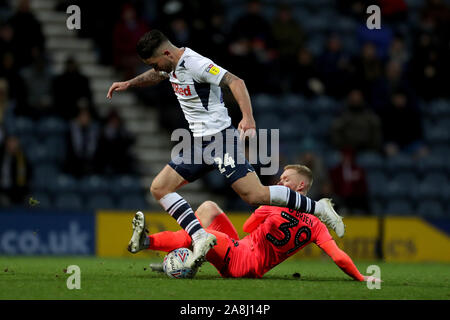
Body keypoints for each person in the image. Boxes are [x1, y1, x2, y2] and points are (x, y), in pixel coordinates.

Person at [107, 29, 344, 270]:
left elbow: (235, 81)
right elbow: (158, 75)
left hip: (221, 139)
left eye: (155, 63)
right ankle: (200, 237)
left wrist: (248, 117)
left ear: (166, 53)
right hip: (200, 143)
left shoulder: (196, 64)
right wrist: (130, 83)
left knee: (255, 195)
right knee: (159, 188)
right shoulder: (171, 66)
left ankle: (319, 208)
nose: (155, 68)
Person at [129, 165, 377, 282]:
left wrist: (263, 210)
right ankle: (186, 259)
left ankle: (148, 242)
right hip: (248, 260)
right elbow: (338, 257)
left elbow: (248, 226)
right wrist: (361, 278)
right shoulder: (317, 225)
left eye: (285, 178)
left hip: (240, 258)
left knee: (200, 233)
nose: (280, 181)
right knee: (208, 208)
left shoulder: (274, 205)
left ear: (300, 186)